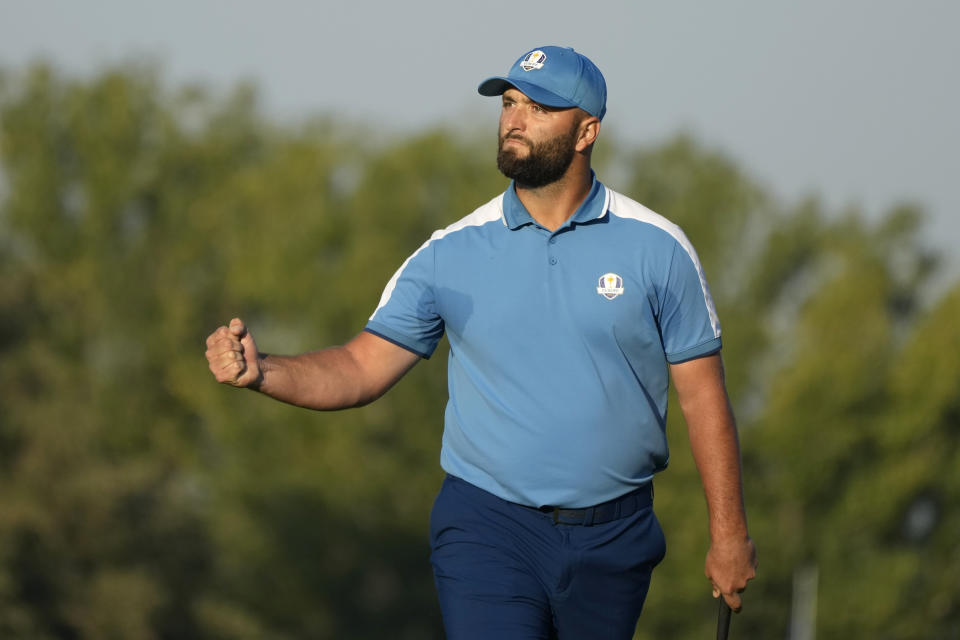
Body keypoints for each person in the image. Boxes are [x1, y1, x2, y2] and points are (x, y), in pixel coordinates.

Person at [205, 45, 756, 639]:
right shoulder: (450, 252)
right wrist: (264, 372)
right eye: (510, 102)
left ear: (586, 131)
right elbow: (359, 367)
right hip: (489, 525)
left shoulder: (659, 248)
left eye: (540, 108)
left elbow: (704, 402)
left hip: (615, 537)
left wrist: (728, 535)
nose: (515, 119)